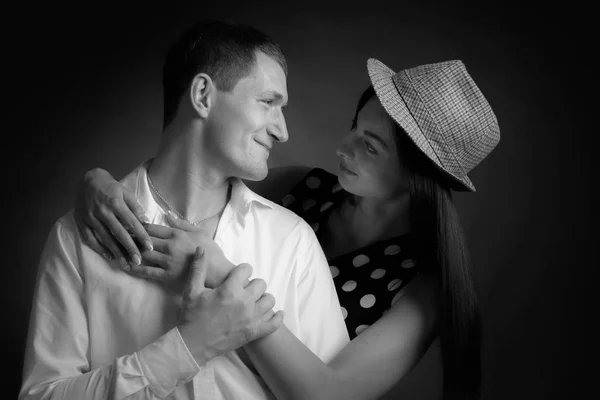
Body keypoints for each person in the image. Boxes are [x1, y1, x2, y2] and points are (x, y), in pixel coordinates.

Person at [74, 55, 500, 399]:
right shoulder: (303, 186)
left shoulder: (424, 290)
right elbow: (197, 178)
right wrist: (98, 182)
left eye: (369, 146)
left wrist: (223, 283)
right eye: (355, 126)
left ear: (416, 177)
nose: (343, 147)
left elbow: (329, 394)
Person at [19, 20, 349, 400]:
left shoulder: (292, 241)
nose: (282, 130)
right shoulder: (80, 237)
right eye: (268, 102)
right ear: (203, 95)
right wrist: (188, 347)